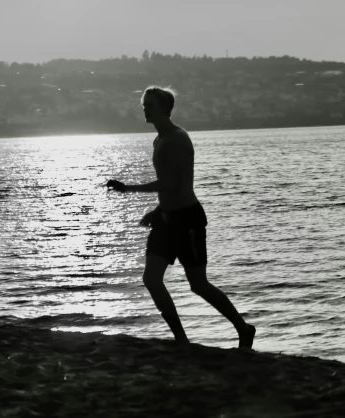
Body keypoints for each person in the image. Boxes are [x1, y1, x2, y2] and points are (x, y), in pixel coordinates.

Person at [106, 86, 256, 349]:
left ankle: (244, 328)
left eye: (150, 104)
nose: (145, 108)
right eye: (144, 104)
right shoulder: (159, 139)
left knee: (198, 285)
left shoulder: (177, 138)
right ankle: (181, 339)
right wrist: (157, 211)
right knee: (151, 279)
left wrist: (129, 189)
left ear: (165, 107)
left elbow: (172, 184)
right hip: (165, 219)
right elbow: (169, 188)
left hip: (188, 220)